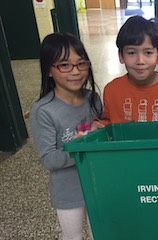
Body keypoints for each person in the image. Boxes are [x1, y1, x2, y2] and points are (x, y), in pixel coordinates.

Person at [30, 32, 104, 240]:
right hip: (67, 192)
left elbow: (101, 146)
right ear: (49, 71)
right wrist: (77, 146)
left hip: (96, 184)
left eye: (81, 64)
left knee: (100, 233)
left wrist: (101, 132)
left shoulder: (93, 99)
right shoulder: (43, 110)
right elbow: (48, 159)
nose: (75, 72)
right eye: (64, 65)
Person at [101, 15, 158, 124]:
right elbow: (107, 124)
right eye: (131, 53)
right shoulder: (111, 91)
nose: (140, 61)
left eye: (148, 53)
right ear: (121, 56)